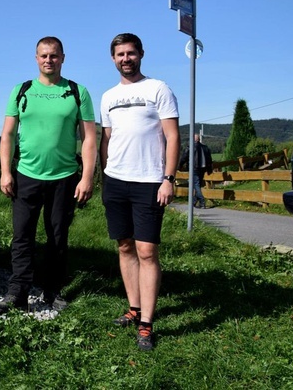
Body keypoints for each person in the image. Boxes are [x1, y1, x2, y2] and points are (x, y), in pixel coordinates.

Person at [0, 36, 97, 314]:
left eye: (53, 55)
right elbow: (8, 134)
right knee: (22, 236)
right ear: (36, 58)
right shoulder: (22, 90)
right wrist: (5, 172)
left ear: (63, 57)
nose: (48, 60)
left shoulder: (77, 92)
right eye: (43, 56)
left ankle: (53, 290)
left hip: (64, 177)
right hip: (26, 174)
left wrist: (87, 176)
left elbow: (88, 139)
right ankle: (18, 292)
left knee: (58, 237)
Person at [99, 33, 180, 351]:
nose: (125, 59)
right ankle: (133, 308)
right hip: (116, 181)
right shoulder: (107, 97)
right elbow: (107, 140)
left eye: (131, 53)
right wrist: (105, 178)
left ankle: (146, 324)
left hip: (149, 181)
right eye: (120, 54)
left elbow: (172, 137)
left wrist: (169, 179)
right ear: (113, 58)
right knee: (124, 247)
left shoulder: (158, 88)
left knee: (147, 251)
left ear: (141, 55)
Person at [179, 134, 213, 209]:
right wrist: (209, 169)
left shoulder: (190, 147)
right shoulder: (205, 147)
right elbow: (209, 159)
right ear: (199, 139)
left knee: (196, 185)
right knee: (198, 184)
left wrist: (180, 166)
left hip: (194, 168)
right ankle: (194, 201)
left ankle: (202, 201)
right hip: (203, 168)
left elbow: (184, 157)